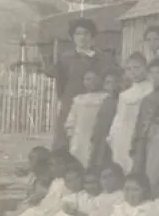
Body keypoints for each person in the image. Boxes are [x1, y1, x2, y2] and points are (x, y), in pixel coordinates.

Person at [49, 17, 115, 152]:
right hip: (70, 103)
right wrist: (66, 99)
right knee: (64, 141)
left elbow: (109, 79)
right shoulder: (66, 58)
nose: (82, 37)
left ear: (92, 36)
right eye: (78, 34)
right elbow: (60, 83)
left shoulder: (102, 58)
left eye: (86, 33)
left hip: (95, 104)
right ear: (73, 37)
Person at [0, 152, 75, 216]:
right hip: (44, 211)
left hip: (55, 215)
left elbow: (58, 205)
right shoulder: (56, 181)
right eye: (50, 165)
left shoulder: (67, 184)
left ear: (63, 166)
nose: (51, 169)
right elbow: (47, 202)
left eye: (53, 165)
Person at [107, 53, 153, 174]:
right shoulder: (124, 95)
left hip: (140, 133)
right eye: (129, 69)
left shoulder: (150, 90)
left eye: (137, 68)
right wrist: (112, 134)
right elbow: (119, 117)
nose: (133, 72)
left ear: (146, 68)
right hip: (123, 134)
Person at [130, 58, 159, 178]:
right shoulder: (147, 98)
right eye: (152, 73)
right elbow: (140, 124)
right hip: (145, 142)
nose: (155, 76)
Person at [63, 70, 110, 169]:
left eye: (94, 79)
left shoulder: (105, 98)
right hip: (79, 137)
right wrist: (71, 135)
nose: (91, 82)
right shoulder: (79, 99)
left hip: (97, 136)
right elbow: (71, 119)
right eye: (87, 79)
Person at [89, 68, 122, 170]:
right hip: (100, 136)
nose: (110, 85)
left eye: (114, 82)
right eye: (107, 82)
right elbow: (99, 119)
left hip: (112, 136)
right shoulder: (104, 100)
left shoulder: (120, 100)